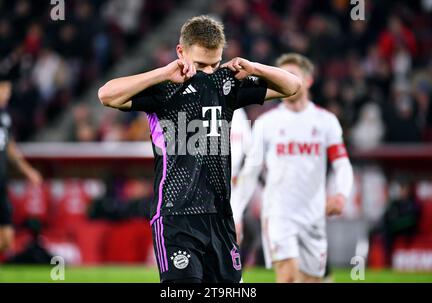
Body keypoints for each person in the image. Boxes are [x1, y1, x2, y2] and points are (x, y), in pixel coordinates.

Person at [98, 15, 301, 283]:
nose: (208, 72)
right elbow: (106, 94)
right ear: (181, 51)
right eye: (201, 64)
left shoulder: (225, 84)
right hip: (175, 215)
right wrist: (162, 73)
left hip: (219, 216)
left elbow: (292, 86)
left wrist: (255, 69)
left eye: (214, 64)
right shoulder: (163, 87)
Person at [231, 53, 353, 282]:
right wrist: (236, 214)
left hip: (313, 214)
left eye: (292, 75)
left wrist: (341, 194)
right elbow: (250, 173)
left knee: (311, 279)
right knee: (287, 276)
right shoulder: (266, 124)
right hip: (278, 213)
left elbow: (342, 163)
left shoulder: (326, 121)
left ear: (308, 80)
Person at [0, 72, 43, 283]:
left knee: (6, 241)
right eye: (4, 90)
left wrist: (28, 171)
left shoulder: (3, 116)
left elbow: (10, 149)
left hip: (0, 184)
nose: (7, 94)